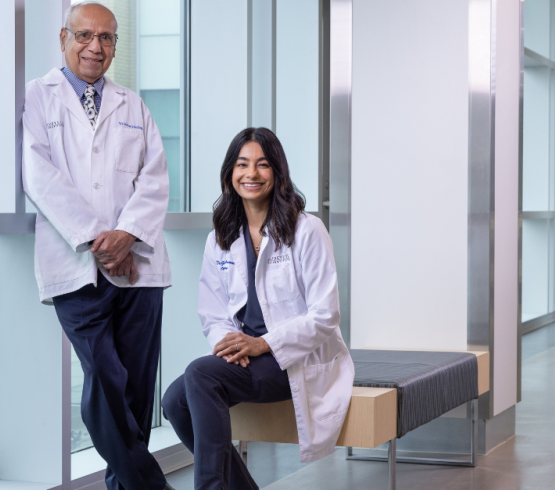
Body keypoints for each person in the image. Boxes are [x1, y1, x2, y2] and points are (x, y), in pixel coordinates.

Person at [21, 2, 172, 489]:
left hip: (139, 268)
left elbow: (155, 178)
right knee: (106, 380)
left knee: (136, 393)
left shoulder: (133, 105)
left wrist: (126, 236)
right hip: (76, 264)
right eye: (85, 35)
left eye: (106, 38)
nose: (96, 46)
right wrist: (96, 238)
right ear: (63, 37)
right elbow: (38, 176)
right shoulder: (37, 98)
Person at [162, 128, 354, 490]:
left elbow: (325, 314)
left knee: (200, 375)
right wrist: (232, 346)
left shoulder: (306, 229)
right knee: (174, 402)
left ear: (277, 173)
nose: (251, 174)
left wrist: (263, 344)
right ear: (229, 173)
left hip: (293, 359)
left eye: (262, 165)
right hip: (247, 357)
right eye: (242, 164)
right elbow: (213, 312)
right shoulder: (220, 236)